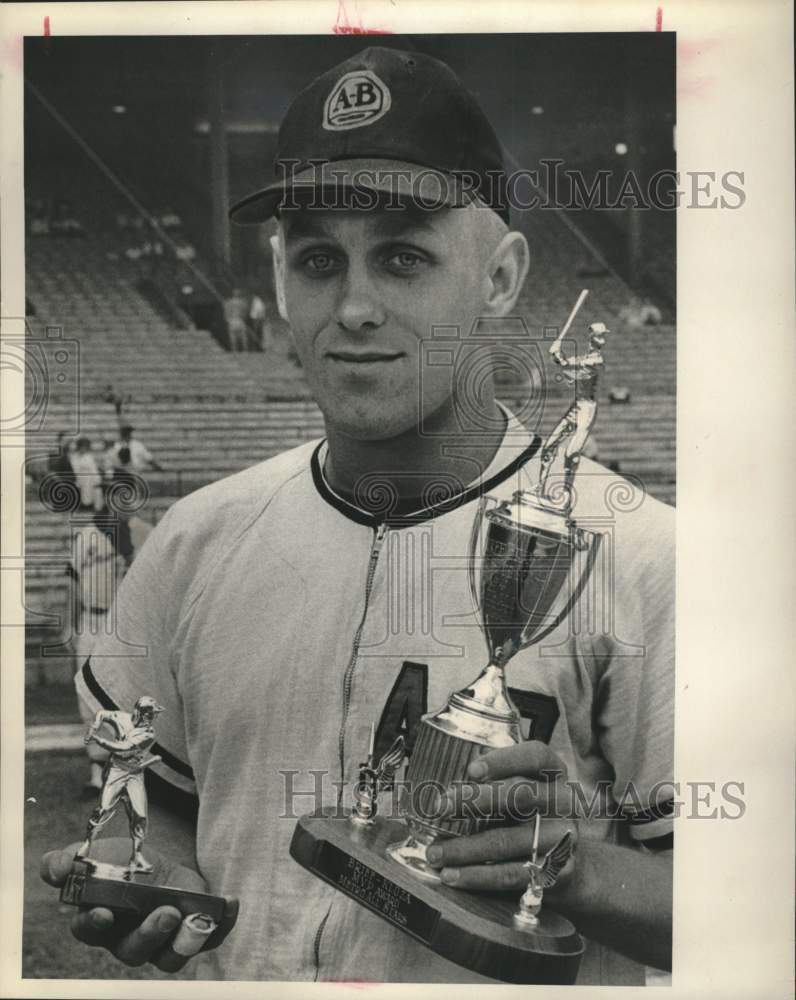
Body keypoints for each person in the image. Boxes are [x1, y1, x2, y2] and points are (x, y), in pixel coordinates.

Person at [42, 47, 673, 985]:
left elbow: (758, 908)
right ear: (280, 280)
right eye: (319, 260)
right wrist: (156, 869)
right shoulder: (196, 540)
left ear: (500, 279)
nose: (356, 306)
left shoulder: (646, 558)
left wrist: (572, 867)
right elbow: (160, 793)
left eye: (405, 256)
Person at [77, 696, 165, 872]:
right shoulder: (121, 717)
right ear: (140, 712)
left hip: (135, 774)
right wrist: (95, 726)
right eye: (150, 714)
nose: (152, 718)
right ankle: (86, 848)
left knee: (140, 815)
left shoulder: (148, 733)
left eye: (154, 715)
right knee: (103, 810)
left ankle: (137, 856)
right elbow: (102, 713)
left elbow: (123, 749)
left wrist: (99, 740)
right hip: (116, 771)